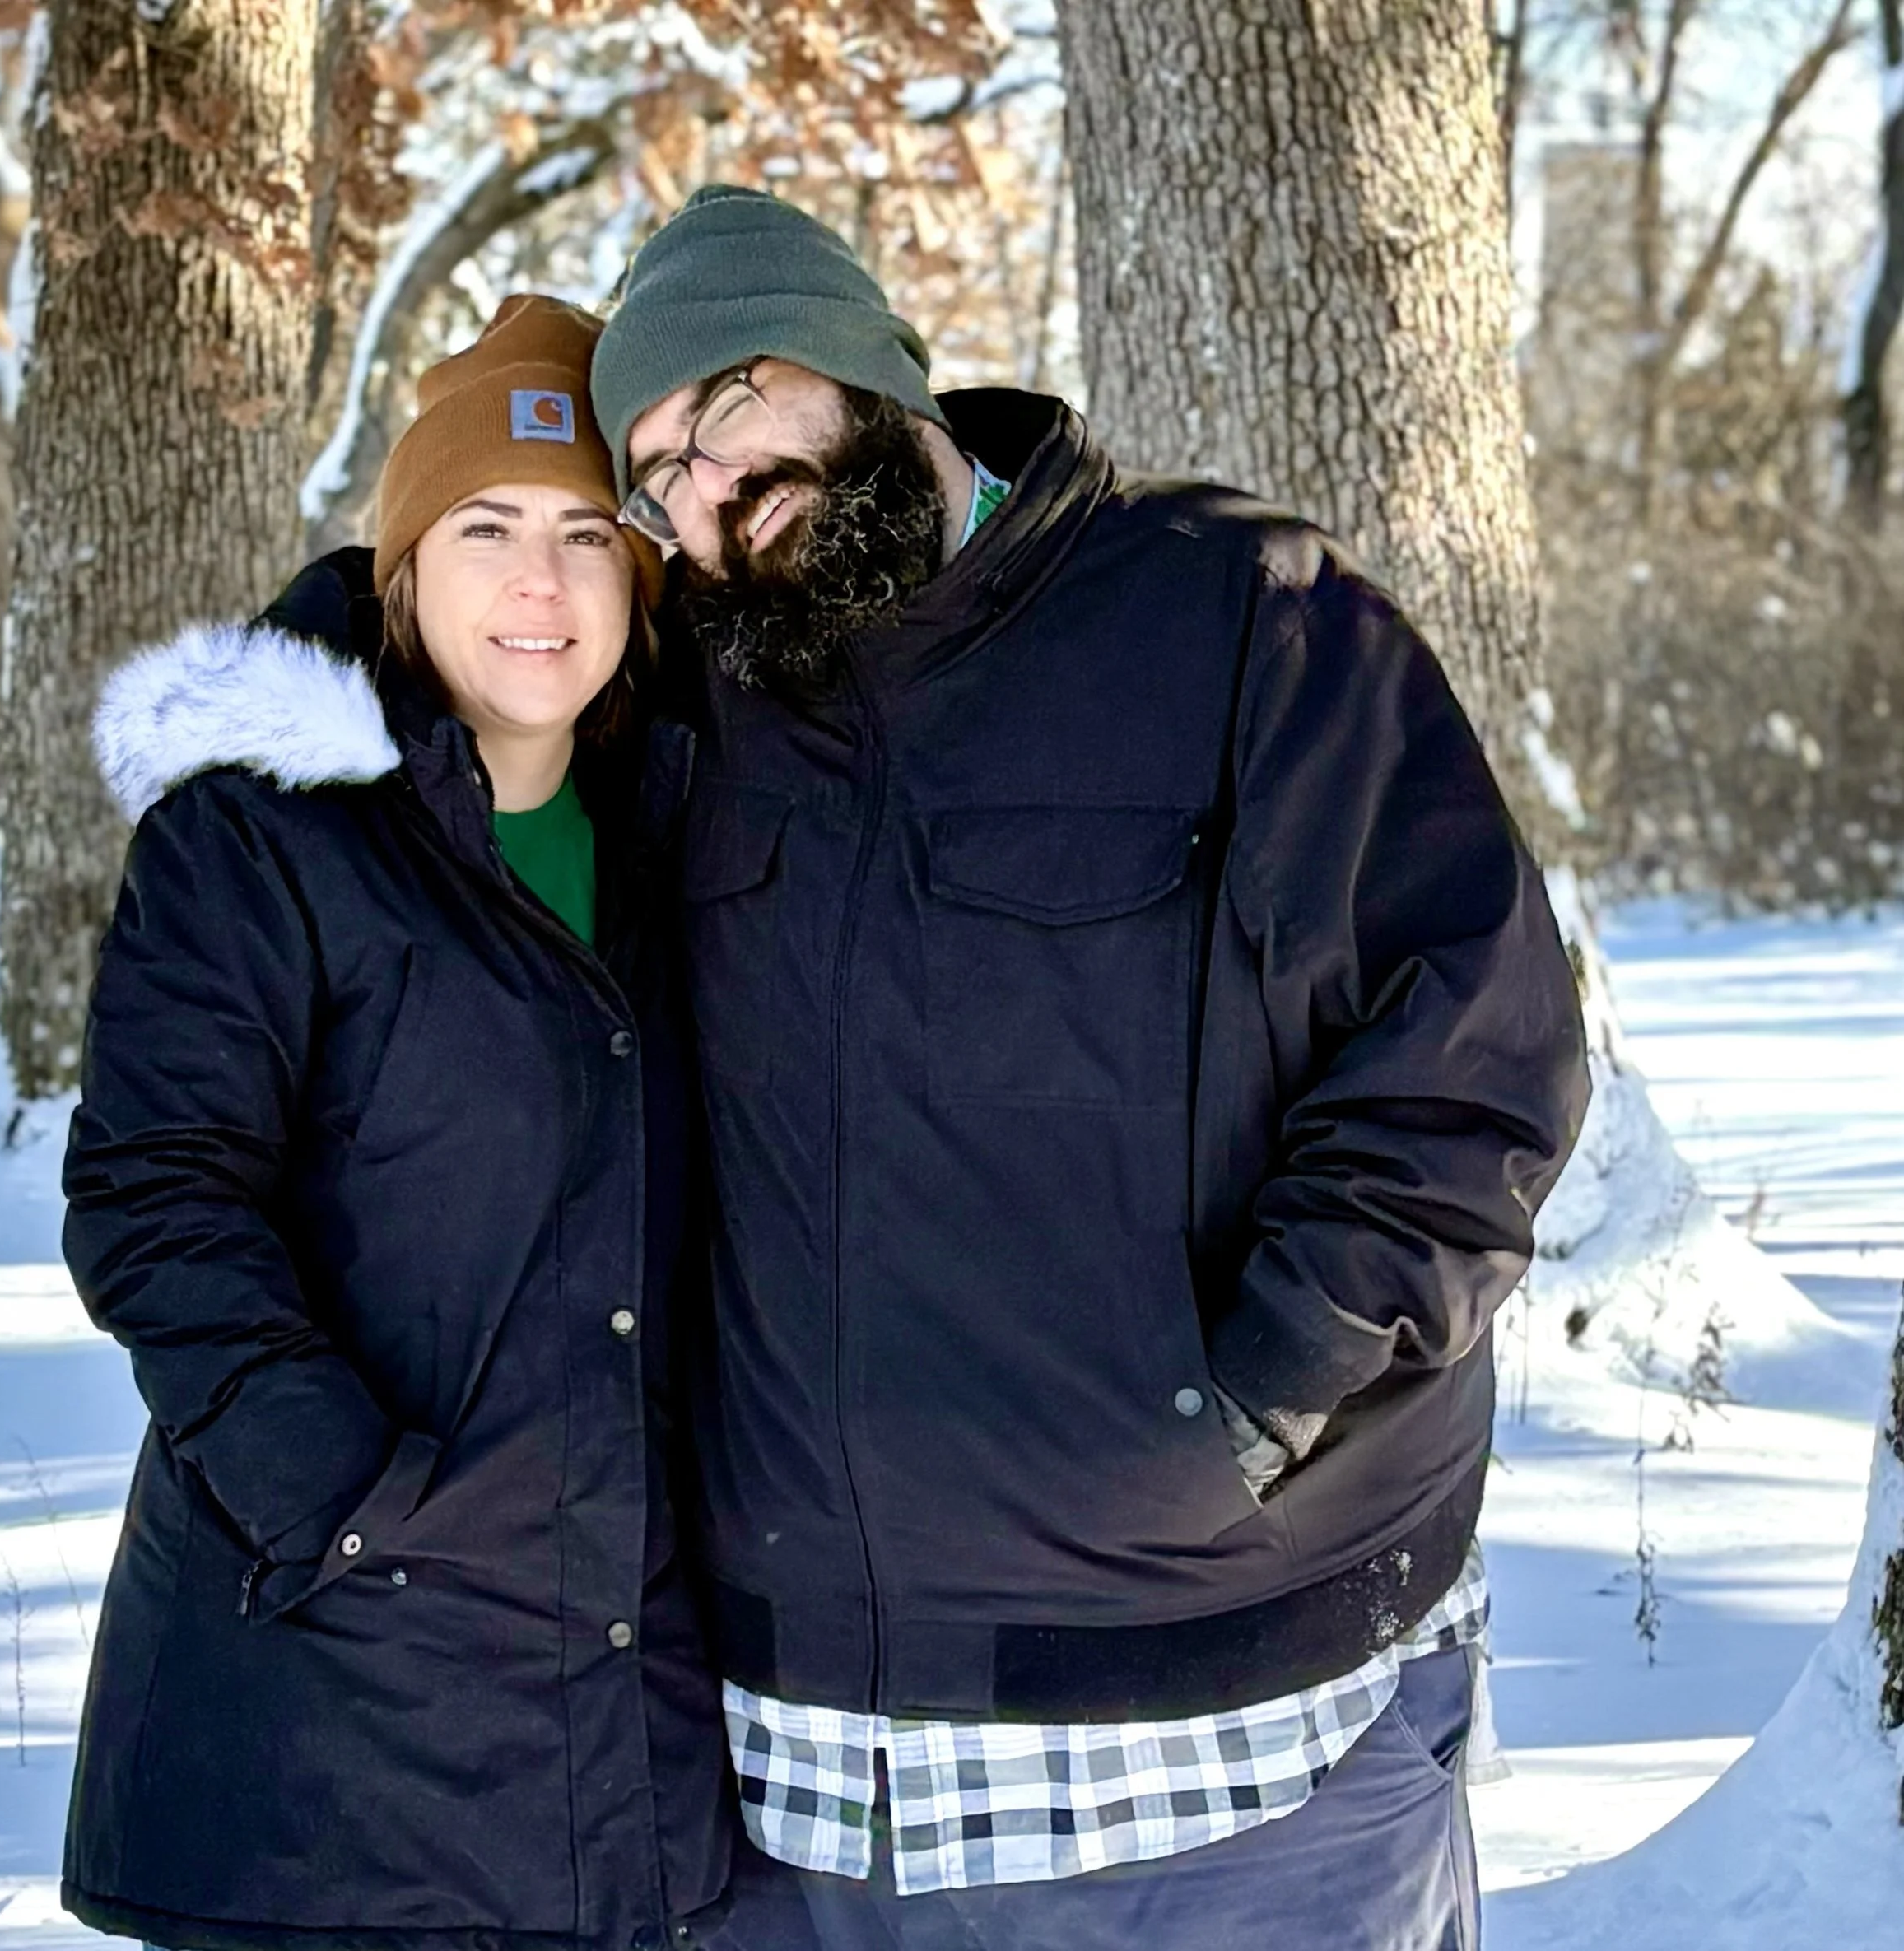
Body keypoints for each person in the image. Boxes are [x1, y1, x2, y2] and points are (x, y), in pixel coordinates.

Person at [583, 187, 1592, 1949]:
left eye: (726, 412)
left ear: (859, 360)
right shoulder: (690, 724)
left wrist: (1263, 1399)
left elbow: (1469, 1053)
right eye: (655, 476)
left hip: (1236, 1735)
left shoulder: (1238, 617)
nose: (707, 503)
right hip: (816, 1769)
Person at [60, 297, 735, 1951]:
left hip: (616, 1697)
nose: (540, 581)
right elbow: (156, 1198)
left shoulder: (686, 839)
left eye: (588, 533)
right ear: (402, 567)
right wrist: (347, 1496)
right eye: (486, 528)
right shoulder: (260, 837)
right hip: (327, 1696)